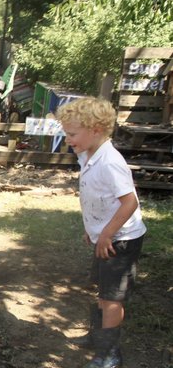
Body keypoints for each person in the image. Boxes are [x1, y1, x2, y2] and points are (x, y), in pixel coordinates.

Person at [58, 97, 146, 368]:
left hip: (121, 240)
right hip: (105, 236)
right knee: (103, 290)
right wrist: (93, 229)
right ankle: (98, 337)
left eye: (72, 134)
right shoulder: (88, 154)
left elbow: (129, 201)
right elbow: (96, 196)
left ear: (95, 130)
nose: (68, 140)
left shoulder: (110, 162)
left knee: (112, 298)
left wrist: (106, 233)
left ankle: (109, 353)